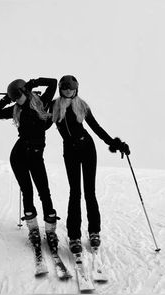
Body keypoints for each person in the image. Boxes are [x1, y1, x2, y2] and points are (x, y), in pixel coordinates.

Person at [50, 75, 130, 253]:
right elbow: (41, 122)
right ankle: (74, 236)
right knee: (74, 193)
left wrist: (116, 144)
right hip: (70, 151)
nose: (68, 90)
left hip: (87, 148)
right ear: (61, 88)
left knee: (89, 192)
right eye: (65, 87)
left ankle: (94, 232)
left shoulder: (82, 106)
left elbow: (96, 128)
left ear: (76, 88)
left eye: (71, 87)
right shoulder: (54, 106)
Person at [0, 77, 59, 252]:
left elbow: (53, 82)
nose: (15, 100)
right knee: (27, 191)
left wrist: (33, 82)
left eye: (16, 96)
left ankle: (50, 231)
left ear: (25, 91)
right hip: (19, 155)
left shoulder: (41, 102)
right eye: (13, 98)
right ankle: (33, 229)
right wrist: (5, 98)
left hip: (36, 156)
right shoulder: (15, 109)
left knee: (44, 192)